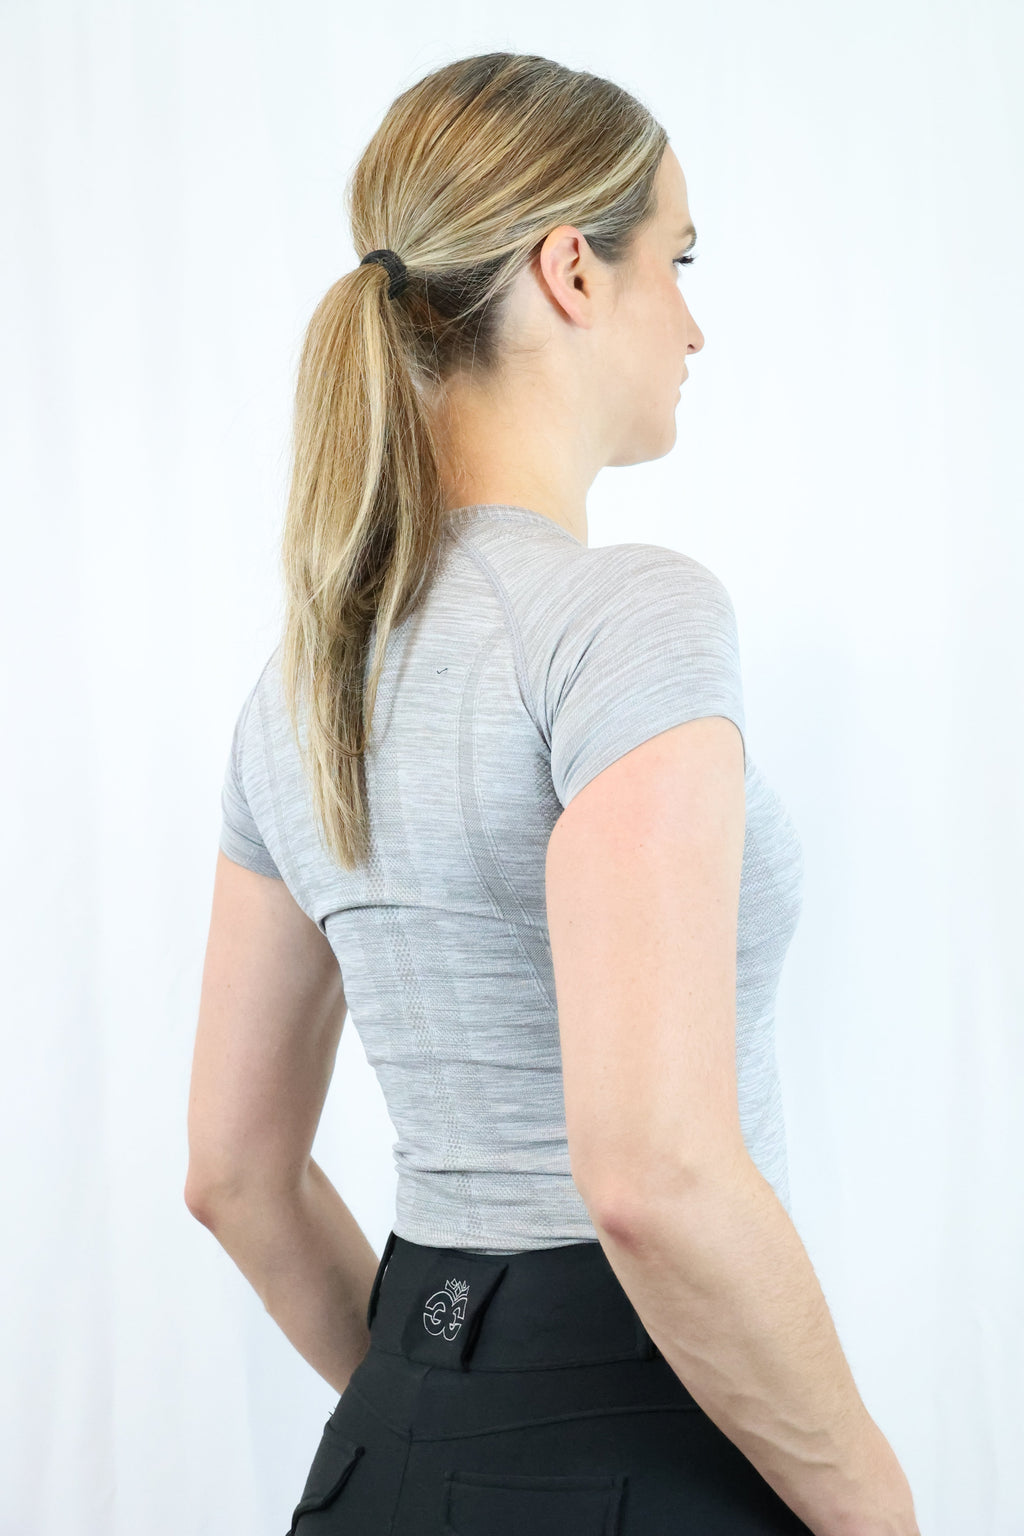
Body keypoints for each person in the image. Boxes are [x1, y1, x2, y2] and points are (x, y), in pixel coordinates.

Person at [185, 50, 920, 1536]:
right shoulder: (621, 622)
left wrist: (439, 1415)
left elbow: (234, 1175)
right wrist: (872, 1505)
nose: (696, 325)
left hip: (386, 1455)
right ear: (571, 269)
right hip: (651, 1428)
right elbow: (650, 1172)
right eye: (680, 260)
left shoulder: (301, 688)